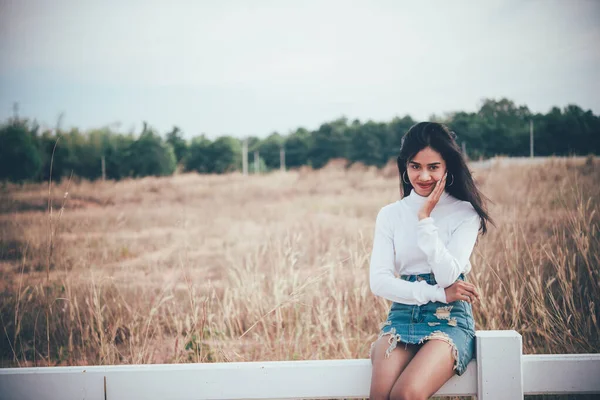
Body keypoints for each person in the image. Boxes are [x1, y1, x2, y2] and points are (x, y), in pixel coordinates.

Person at [369, 122, 493, 400]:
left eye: (433, 167)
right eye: (415, 166)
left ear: (447, 166)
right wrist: (436, 293)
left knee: (406, 394)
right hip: (402, 314)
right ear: (405, 167)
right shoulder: (390, 214)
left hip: (448, 319)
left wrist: (425, 219)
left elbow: (449, 275)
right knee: (380, 395)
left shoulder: (465, 213)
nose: (423, 176)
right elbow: (379, 281)